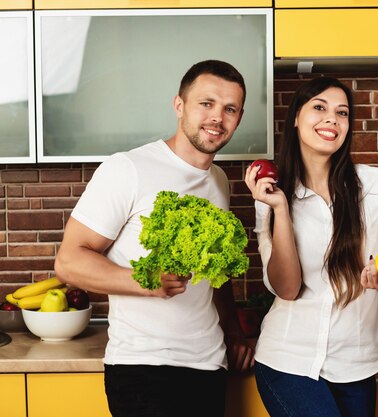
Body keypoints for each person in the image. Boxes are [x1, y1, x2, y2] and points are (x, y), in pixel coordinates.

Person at [54, 59, 255, 417]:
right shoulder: (127, 169)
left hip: (208, 365)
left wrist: (234, 332)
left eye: (230, 109)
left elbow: (215, 273)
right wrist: (148, 282)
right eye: (206, 103)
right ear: (179, 106)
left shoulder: (219, 181)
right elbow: (70, 261)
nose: (217, 118)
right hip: (142, 370)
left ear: (238, 118)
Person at [244, 76, 378, 417]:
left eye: (342, 113)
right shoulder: (272, 192)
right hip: (287, 360)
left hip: (358, 363)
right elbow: (287, 288)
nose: (331, 119)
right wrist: (279, 208)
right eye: (319, 107)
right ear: (295, 118)